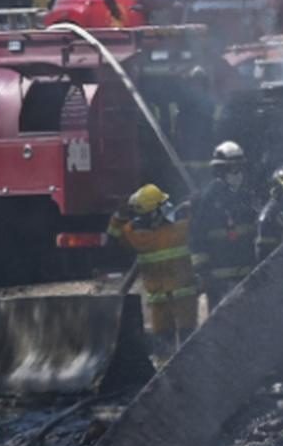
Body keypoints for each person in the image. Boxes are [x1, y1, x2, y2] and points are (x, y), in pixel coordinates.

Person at [108, 184, 198, 356]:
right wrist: (193, 205)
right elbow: (199, 225)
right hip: (184, 297)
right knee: (189, 342)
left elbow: (113, 237)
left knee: (164, 344)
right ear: (155, 211)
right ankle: (188, 375)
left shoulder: (135, 236)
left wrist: (119, 215)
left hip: (159, 300)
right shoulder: (180, 230)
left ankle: (164, 379)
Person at [190, 141, 259, 310]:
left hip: (247, 277)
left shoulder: (246, 197)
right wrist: (204, 273)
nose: (239, 174)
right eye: (233, 169)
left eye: (241, 168)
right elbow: (197, 239)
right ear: (220, 171)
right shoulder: (208, 199)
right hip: (219, 281)